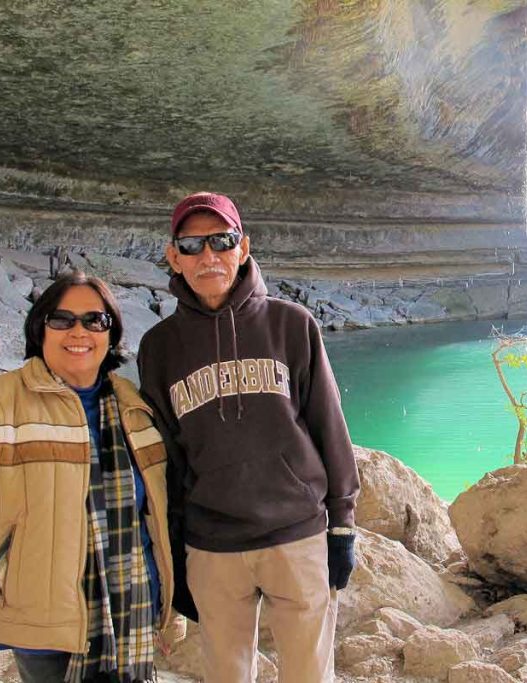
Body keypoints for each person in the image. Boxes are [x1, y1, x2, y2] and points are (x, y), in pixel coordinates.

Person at [0, 272, 183, 683]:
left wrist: (172, 604)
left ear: (112, 335)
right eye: (62, 319)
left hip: (135, 610)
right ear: (40, 328)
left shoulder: (136, 408)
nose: (79, 331)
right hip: (44, 623)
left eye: (95, 320)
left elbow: (162, 511)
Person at [137, 192, 360, 683]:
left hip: (297, 533)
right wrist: (173, 550)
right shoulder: (159, 348)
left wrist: (342, 525)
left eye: (222, 240)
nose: (208, 255)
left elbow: (329, 424)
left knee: (308, 675)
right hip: (213, 544)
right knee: (226, 675)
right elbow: (166, 455)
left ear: (244, 247)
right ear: (173, 257)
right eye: (192, 245)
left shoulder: (292, 325)